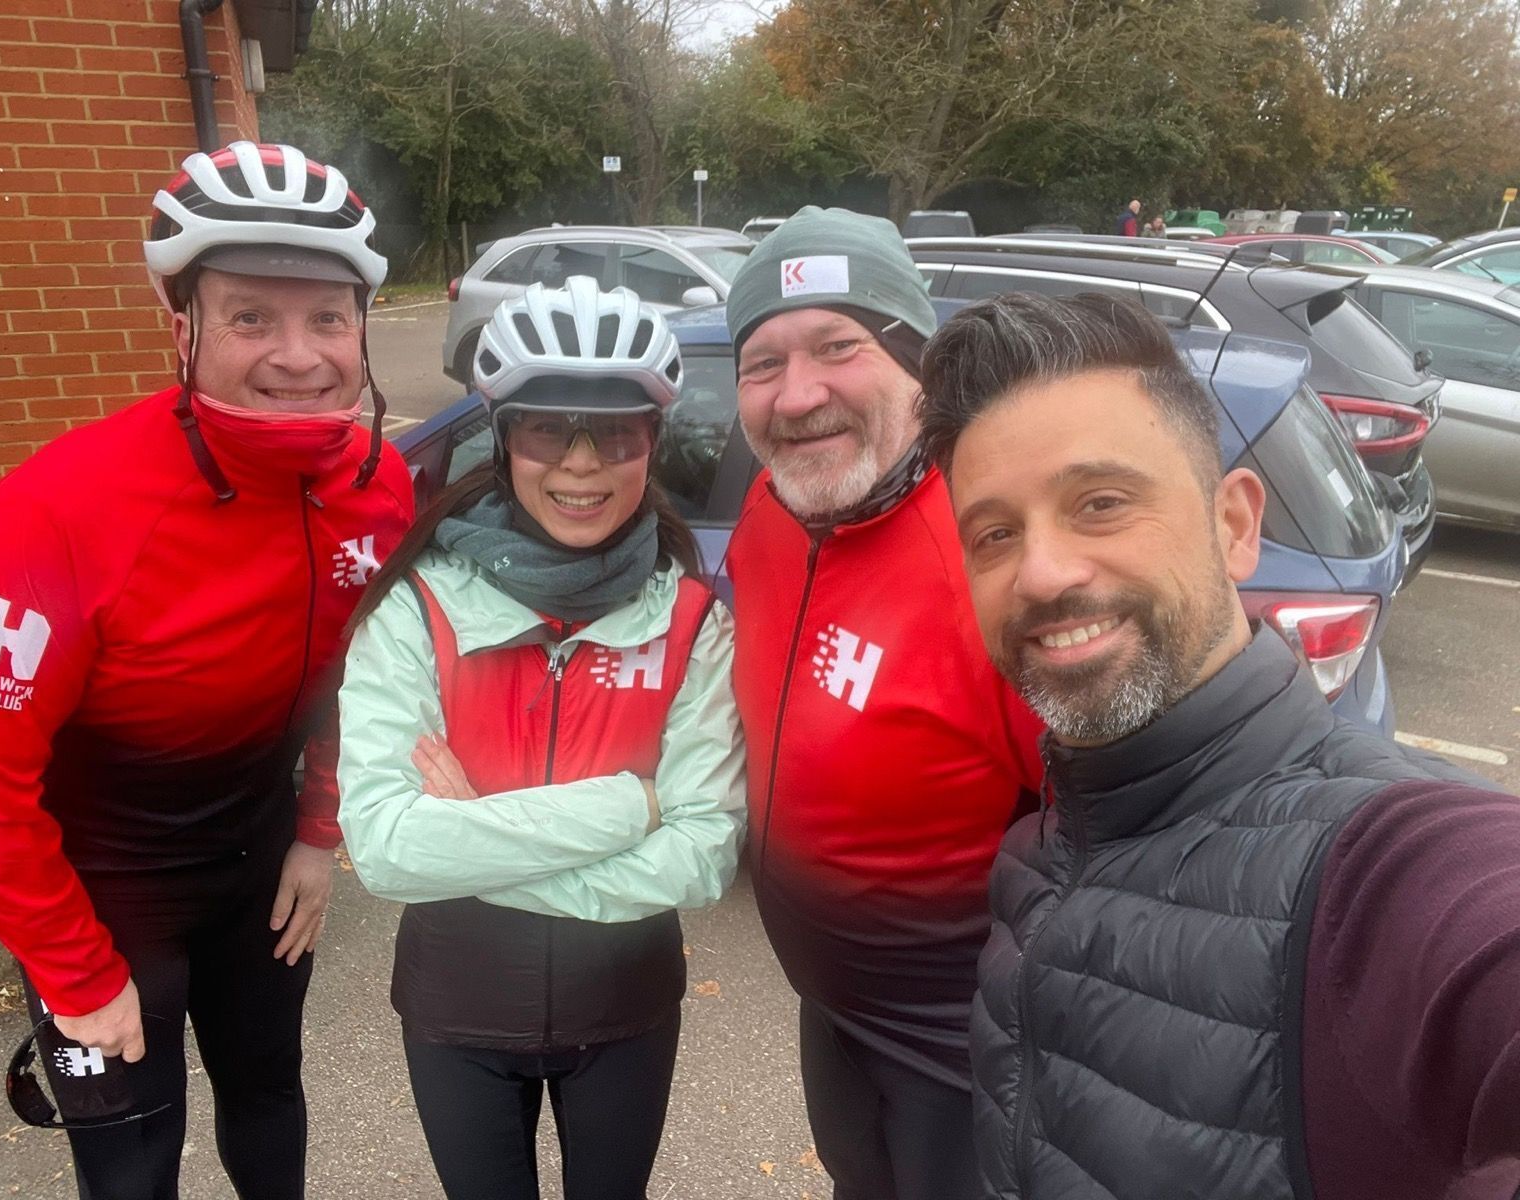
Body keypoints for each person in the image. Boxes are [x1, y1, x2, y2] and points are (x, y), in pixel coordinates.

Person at [916, 290, 1520, 1200]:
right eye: (996, 533)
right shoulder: (1038, 855)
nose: (1040, 573)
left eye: (1101, 503)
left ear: (1235, 526)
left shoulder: (1379, 871)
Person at [0, 141, 413, 1198]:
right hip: (104, 895)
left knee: (270, 1105)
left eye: (328, 318)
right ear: (180, 324)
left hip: (257, 868)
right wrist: (70, 966)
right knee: (132, 1167)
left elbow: (357, 677)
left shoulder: (379, 487)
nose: (298, 356)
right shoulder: (49, 514)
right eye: (251, 317)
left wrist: (318, 830)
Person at [336, 275, 745, 1200]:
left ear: (653, 440)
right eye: (549, 429)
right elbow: (389, 849)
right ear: (503, 436)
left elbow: (703, 856)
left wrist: (471, 840)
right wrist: (631, 806)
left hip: (626, 1010)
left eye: (617, 432)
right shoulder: (418, 606)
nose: (583, 464)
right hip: (458, 1011)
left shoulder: (691, 620)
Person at [721, 207, 1044, 1200]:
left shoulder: (994, 563)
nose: (797, 394)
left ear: (917, 367)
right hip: (830, 1006)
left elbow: (1122, 838)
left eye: (837, 347)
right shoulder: (770, 510)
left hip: (963, 1040)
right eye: (762, 363)